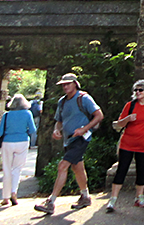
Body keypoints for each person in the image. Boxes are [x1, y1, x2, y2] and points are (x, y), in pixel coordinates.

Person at [34, 73, 103, 215]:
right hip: (68, 140)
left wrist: (84, 128)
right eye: (63, 84)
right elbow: (59, 120)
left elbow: (99, 115)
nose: (65, 86)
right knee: (77, 167)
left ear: (75, 84)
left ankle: (51, 202)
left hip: (81, 139)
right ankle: (85, 196)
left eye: (68, 84)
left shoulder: (84, 98)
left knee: (62, 166)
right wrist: (56, 130)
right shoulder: (62, 101)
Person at [107, 79, 144, 212]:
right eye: (136, 90)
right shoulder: (130, 105)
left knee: (142, 171)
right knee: (122, 170)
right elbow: (118, 124)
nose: (138, 92)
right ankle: (113, 200)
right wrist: (127, 119)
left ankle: (140, 197)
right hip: (127, 144)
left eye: (141, 90)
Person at [0, 93, 36, 206]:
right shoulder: (28, 113)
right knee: (17, 169)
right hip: (22, 141)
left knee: (7, 169)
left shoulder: (7, 115)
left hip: (8, 142)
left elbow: (0, 132)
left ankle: (5, 197)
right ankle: (14, 192)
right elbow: (33, 129)